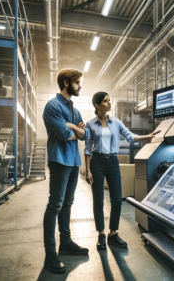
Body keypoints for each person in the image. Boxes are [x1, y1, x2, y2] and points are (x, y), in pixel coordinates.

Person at [84, 92, 160, 250]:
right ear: (98, 106)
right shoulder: (90, 124)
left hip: (112, 161)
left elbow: (130, 137)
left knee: (117, 200)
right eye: (105, 101)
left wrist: (147, 136)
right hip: (97, 161)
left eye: (109, 100)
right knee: (98, 201)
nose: (109, 103)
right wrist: (88, 170)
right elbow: (87, 149)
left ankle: (113, 234)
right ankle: (101, 235)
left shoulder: (116, 122)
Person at [42, 68, 90, 274]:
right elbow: (63, 134)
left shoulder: (74, 109)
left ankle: (66, 242)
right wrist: (72, 129)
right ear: (66, 83)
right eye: (77, 82)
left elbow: (84, 134)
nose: (80, 86)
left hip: (73, 161)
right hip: (60, 160)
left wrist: (72, 126)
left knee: (68, 203)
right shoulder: (53, 106)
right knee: (55, 205)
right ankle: (50, 254)